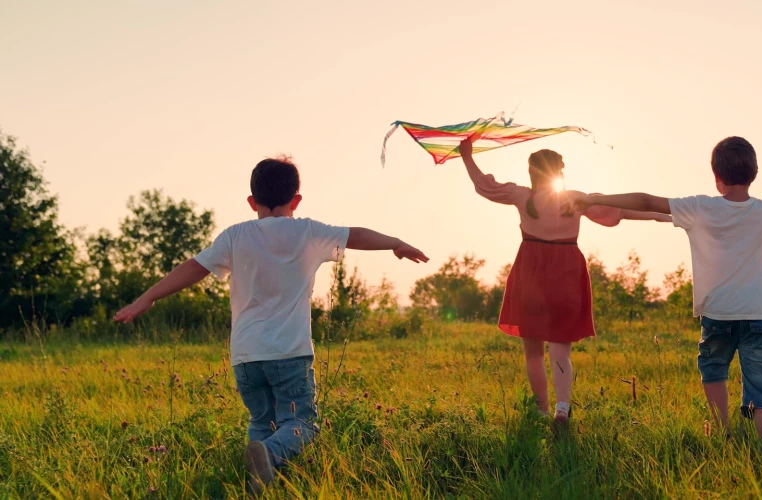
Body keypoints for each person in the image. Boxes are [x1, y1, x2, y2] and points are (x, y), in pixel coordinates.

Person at [113, 156, 429, 494]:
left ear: (252, 202)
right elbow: (356, 235)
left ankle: (259, 484)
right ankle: (271, 454)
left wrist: (146, 298)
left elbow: (193, 267)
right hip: (289, 353)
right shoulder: (307, 231)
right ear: (297, 200)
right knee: (302, 424)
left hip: (246, 356)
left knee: (262, 423)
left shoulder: (235, 236)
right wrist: (395, 243)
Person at [566, 136, 762, 453]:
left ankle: (722, 434)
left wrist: (593, 198)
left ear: (716, 177)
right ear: (755, 173)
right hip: (760, 315)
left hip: (718, 313)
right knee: (761, 384)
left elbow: (648, 201)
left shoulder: (700, 207)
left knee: (714, 370)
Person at [458, 136, 671, 424]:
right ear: (560, 171)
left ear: (531, 172)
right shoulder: (576, 198)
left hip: (530, 272)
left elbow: (485, 185)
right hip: (566, 272)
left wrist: (467, 156)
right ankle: (561, 407)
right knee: (560, 349)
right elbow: (623, 211)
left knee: (533, 352)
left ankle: (542, 410)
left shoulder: (522, 197)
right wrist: (666, 217)